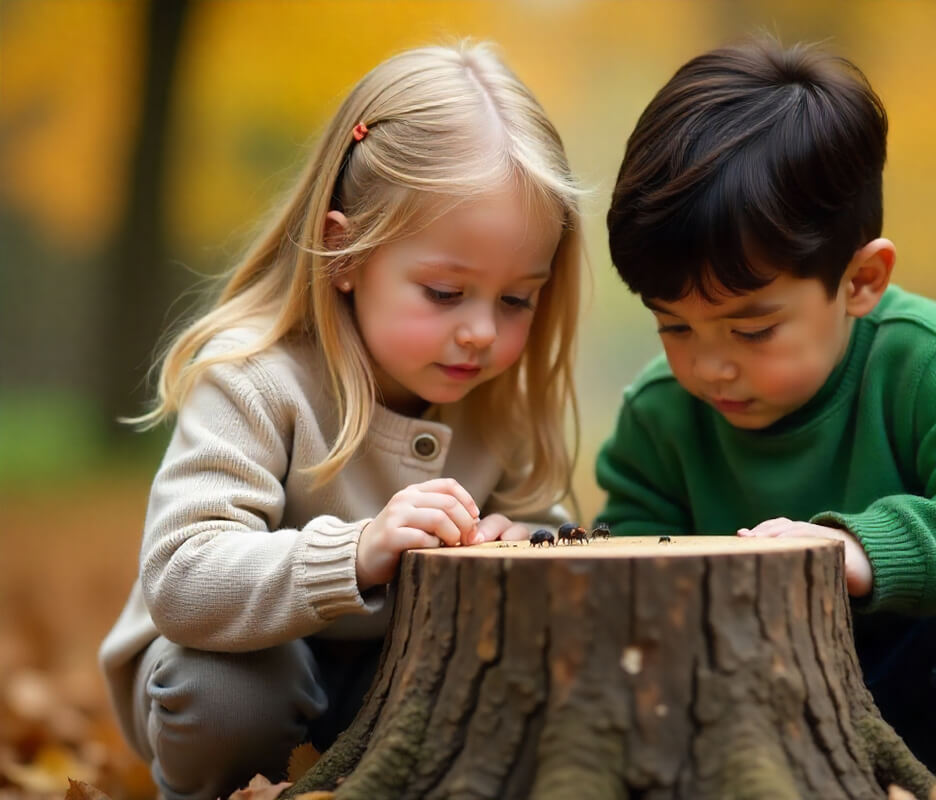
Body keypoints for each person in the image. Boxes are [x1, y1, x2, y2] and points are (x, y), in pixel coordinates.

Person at [596, 38, 936, 800]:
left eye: (751, 330)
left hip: (927, 686)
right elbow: (630, 567)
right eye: (674, 326)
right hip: (750, 704)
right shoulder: (661, 415)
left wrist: (864, 548)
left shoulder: (925, 361)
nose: (709, 366)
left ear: (861, 280)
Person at [99, 42, 582, 800]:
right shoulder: (256, 378)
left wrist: (525, 539)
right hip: (232, 664)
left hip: (391, 681)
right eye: (446, 292)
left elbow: (543, 513)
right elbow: (182, 576)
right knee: (232, 693)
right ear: (343, 251)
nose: (484, 332)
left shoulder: (496, 396)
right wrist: (355, 552)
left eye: (516, 300)